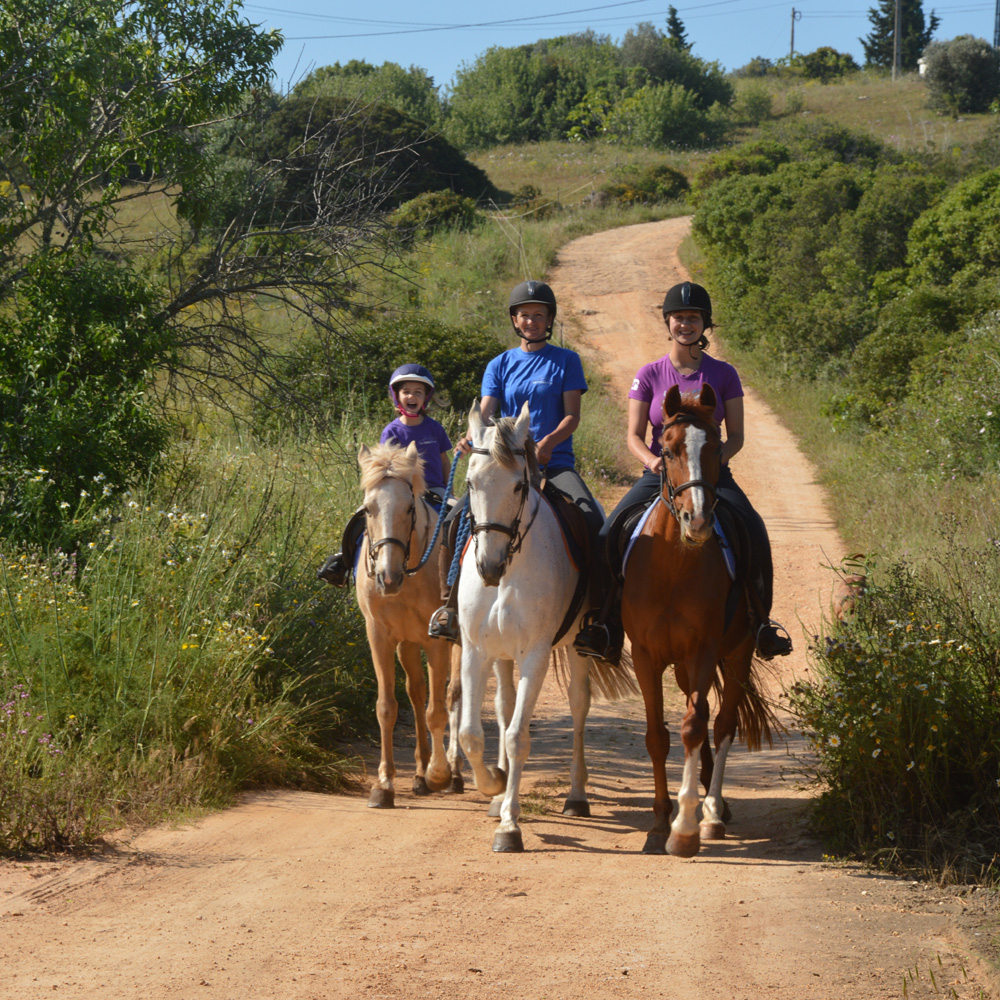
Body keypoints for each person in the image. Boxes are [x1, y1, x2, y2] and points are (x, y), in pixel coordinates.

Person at [572, 280, 792, 664]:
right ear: (667, 322)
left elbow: (736, 435)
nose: (685, 324)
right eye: (678, 317)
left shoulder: (724, 375)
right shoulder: (649, 374)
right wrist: (654, 461)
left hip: (710, 474)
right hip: (659, 475)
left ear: (704, 324)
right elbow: (634, 436)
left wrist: (713, 465)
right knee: (608, 533)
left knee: (754, 530)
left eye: (693, 318)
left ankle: (761, 623)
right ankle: (604, 624)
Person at [427, 279, 603, 641]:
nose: (531, 321)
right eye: (525, 315)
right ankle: (450, 607)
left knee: (591, 519)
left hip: (554, 463)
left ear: (549, 319)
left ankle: (598, 614)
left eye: (539, 315)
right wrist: (472, 439)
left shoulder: (566, 361)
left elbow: (572, 415)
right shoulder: (500, 364)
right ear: (515, 320)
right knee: (455, 518)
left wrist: (549, 442)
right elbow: (487, 412)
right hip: (506, 468)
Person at [317, 364, 452, 587]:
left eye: (418, 392)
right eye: (406, 391)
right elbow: (384, 466)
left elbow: (445, 462)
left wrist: (449, 493)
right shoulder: (392, 431)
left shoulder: (435, 428)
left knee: (458, 522)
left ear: (425, 398)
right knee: (361, 520)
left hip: (434, 491)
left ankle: (461, 571)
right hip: (400, 492)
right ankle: (343, 561)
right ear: (397, 396)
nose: (412, 396)